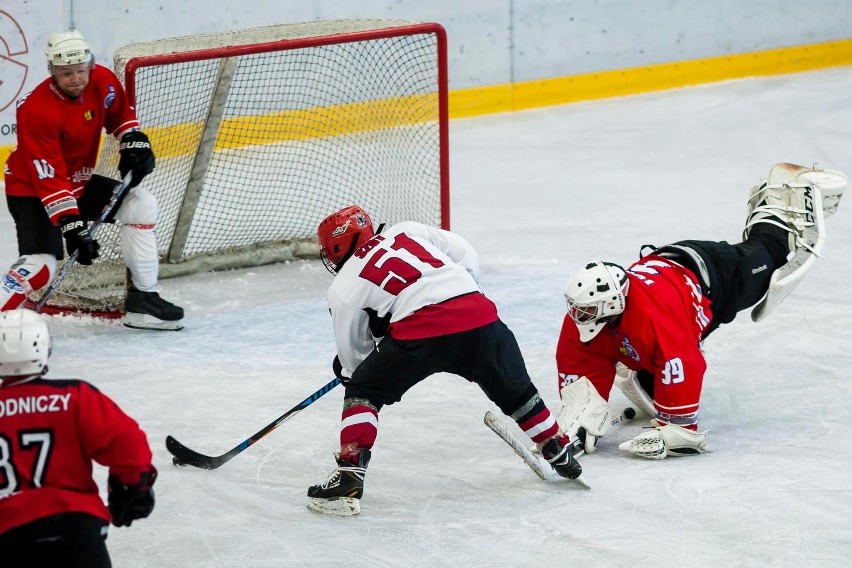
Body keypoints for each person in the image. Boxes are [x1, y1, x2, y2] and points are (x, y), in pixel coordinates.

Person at [553, 162, 846, 459]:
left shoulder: (655, 318)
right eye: (577, 309)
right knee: (655, 384)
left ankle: (785, 200)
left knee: (767, 255)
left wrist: (676, 429)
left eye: (587, 311)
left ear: (612, 304)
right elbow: (581, 372)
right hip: (669, 274)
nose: (579, 316)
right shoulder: (585, 317)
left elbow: (685, 363)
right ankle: (642, 374)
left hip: (713, 274)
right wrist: (582, 413)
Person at [306, 205, 581, 516]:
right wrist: (464, 291)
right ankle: (556, 447)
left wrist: (357, 371)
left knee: (364, 391)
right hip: (479, 315)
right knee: (517, 391)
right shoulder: (407, 230)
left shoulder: (343, 287)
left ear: (337, 247)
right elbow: (463, 250)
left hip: (420, 334)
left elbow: (355, 356)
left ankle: (348, 476)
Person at [2, 29, 184, 330]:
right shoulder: (37, 110)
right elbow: (48, 175)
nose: (76, 79)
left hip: (79, 183)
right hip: (32, 191)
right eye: (66, 73)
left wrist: (133, 140)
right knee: (41, 268)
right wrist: (72, 225)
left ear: (90, 65)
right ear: (52, 72)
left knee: (141, 205)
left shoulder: (102, 80)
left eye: (81, 71)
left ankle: (143, 299)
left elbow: (120, 116)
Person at [0, 309, 157, 567]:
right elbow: (127, 443)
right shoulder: (75, 396)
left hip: (10, 535)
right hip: (77, 527)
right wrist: (134, 485)